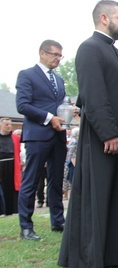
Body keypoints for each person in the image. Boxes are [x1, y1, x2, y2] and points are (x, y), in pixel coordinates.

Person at [58, 0, 118, 268]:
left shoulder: (114, 52)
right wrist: (108, 132)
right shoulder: (89, 48)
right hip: (103, 137)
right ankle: (99, 256)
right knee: (101, 194)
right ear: (104, 18)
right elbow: (93, 95)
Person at [16, 40, 68, 240]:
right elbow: (22, 105)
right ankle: (26, 226)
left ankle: (58, 220)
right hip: (38, 135)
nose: (57, 59)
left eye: (60, 55)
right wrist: (49, 118)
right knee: (32, 180)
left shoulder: (60, 80)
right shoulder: (27, 75)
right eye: (54, 54)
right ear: (42, 53)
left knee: (56, 180)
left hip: (58, 135)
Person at [0, 118, 21, 216]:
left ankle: (12, 209)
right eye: (6, 124)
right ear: (1, 126)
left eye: (10, 124)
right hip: (1, 163)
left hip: (12, 163)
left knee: (12, 186)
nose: (9, 126)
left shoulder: (15, 138)